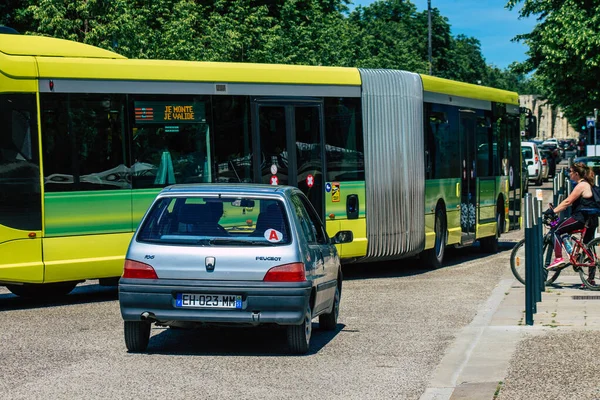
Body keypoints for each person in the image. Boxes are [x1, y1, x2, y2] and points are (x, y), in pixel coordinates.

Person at [543, 162, 599, 271]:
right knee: (588, 246)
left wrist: (553, 212)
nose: (569, 174)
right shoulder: (589, 184)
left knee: (556, 231)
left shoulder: (581, 185)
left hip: (580, 218)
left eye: (571, 172)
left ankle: (559, 258)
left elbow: (568, 201)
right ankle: (590, 279)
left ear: (577, 174)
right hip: (591, 219)